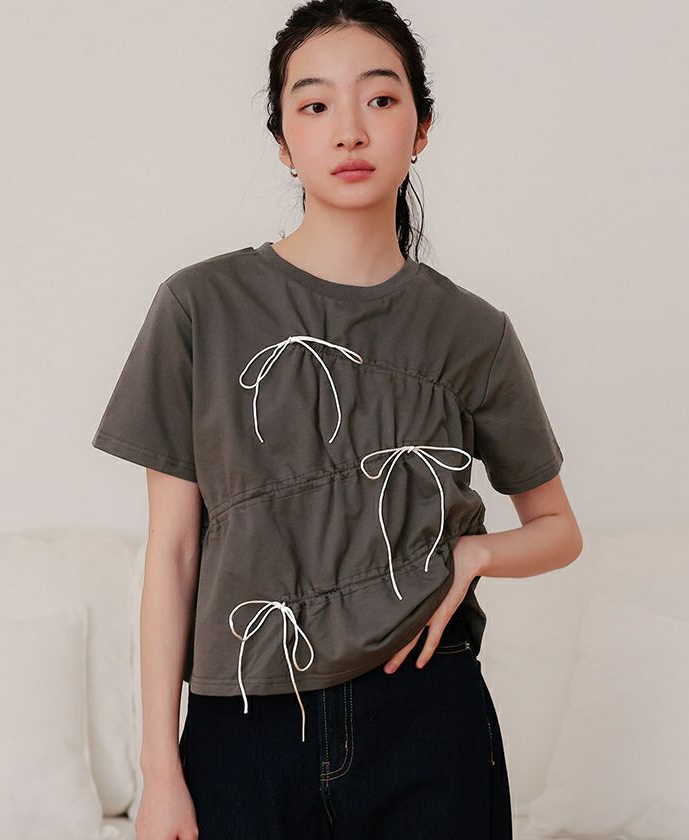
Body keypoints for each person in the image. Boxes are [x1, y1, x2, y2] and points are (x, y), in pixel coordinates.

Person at [92, 1, 583, 838]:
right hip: (242, 725)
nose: (350, 130)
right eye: (315, 104)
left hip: (427, 712)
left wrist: (475, 553)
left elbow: (558, 529)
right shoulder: (199, 307)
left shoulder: (474, 332)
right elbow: (173, 551)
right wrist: (160, 772)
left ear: (421, 129)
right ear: (284, 143)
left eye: (380, 99)